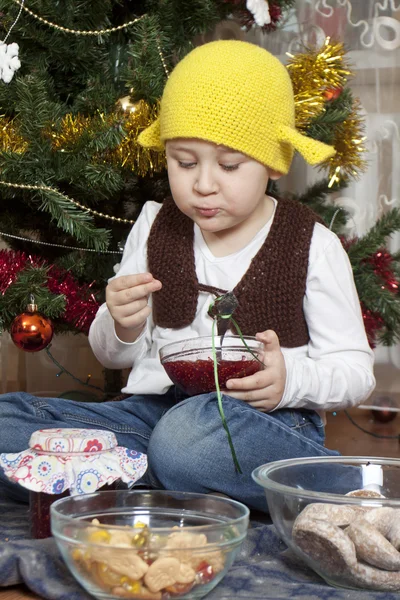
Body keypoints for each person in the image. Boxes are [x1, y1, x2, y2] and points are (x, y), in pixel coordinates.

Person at [0, 40, 375, 512]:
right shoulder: (156, 225)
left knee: (188, 440)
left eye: (230, 165)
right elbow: (112, 355)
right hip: (149, 415)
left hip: (262, 420)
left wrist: (291, 379)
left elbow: (356, 372)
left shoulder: (310, 245)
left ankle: (326, 481)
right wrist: (122, 323)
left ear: (273, 163)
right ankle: (168, 479)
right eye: (184, 161)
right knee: (10, 423)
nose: (202, 184)